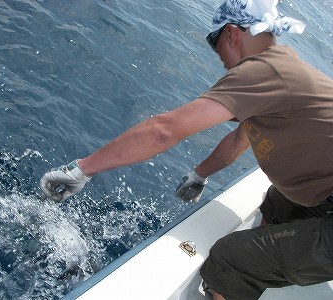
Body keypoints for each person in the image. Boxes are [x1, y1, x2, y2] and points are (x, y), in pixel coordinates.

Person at [40, 0, 333, 299]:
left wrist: (81, 170)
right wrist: (200, 174)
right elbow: (238, 140)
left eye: (214, 42)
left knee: (231, 261)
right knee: (277, 202)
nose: (218, 55)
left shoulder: (263, 71)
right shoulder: (284, 68)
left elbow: (163, 129)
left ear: (232, 33)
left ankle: (247, 271)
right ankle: (269, 257)